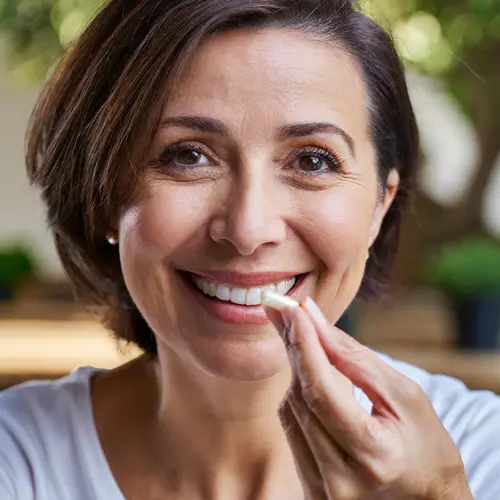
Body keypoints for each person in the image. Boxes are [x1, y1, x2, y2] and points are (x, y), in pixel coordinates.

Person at [0, 0, 499, 498]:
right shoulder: (17, 456)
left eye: (313, 161)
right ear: (103, 197)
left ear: (379, 207)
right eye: (188, 155)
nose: (248, 228)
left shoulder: (480, 450)